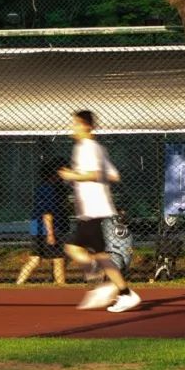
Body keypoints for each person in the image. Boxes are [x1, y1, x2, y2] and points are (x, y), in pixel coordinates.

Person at [59, 109, 141, 313]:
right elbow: (113, 175)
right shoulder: (96, 148)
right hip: (94, 209)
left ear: (87, 126)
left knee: (72, 248)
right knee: (103, 256)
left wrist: (73, 176)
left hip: (93, 209)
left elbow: (96, 173)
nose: (73, 128)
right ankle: (123, 292)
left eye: (76, 124)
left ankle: (102, 282)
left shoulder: (87, 148)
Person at [16, 159, 71, 286]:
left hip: (36, 228)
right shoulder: (50, 189)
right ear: (55, 173)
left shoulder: (44, 187)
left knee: (35, 258)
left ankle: (19, 282)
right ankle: (61, 283)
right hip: (48, 228)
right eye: (62, 171)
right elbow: (47, 212)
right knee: (58, 258)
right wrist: (50, 233)